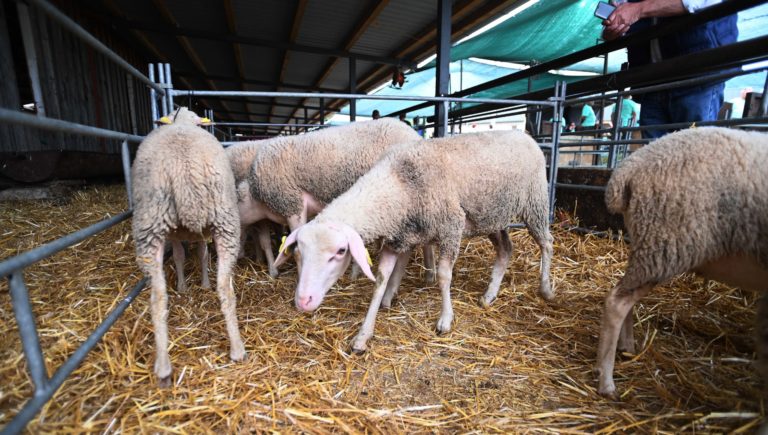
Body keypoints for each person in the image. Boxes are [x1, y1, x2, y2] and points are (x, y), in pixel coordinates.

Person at [602, 0, 738, 138]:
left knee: (694, 151)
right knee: (654, 154)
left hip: (696, 75)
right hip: (650, 80)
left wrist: (638, 9)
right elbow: (626, 12)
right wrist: (616, 27)